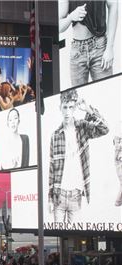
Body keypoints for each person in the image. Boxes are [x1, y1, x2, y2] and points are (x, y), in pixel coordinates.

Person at [48, 89, 109, 223]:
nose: (67, 111)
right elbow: (52, 168)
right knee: (59, 236)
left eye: (71, 107)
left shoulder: (82, 127)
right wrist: (50, 199)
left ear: (75, 108)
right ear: (60, 108)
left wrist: (89, 110)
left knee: (76, 237)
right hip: (59, 194)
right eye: (65, 107)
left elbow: (104, 129)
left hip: (76, 195)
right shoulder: (55, 135)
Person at [58, 0, 118, 87]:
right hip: (77, 52)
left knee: (106, 91)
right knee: (78, 94)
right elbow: (59, 26)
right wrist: (71, 17)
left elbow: (113, 5)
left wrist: (110, 48)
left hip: (100, 48)